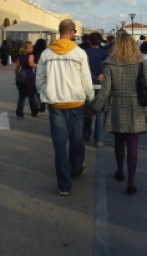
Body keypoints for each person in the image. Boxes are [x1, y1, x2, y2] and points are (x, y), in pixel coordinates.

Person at [35, 19, 94, 196]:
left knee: (59, 145)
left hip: (56, 105)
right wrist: (90, 99)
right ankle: (75, 169)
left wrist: (44, 94)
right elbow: (86, 80)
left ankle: (64, 184)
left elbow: (39, 80)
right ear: (72, 32)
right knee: (77, 141)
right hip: (76, 103)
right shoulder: (79, 54)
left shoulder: (46, 54)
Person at [89, 31, 147, 195]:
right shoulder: (140, 62)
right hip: (136, 104)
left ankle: (120, 171)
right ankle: (131, 181)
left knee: (119, 141)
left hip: (117, 105)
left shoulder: (110, 63)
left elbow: (105, 91)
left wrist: (94, 107)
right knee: (133, 144)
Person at [83, 32, 110, 147]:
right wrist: (103, 74)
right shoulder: (105, 54)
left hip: (87, 85)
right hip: (101, 86)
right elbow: (109, 68)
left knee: (87, 112)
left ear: (89, 41)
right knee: (101, 113)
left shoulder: (84, 53)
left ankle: (85, 135)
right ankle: (99, 140)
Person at [14, 41, 38, 119]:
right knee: (31, 95)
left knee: (21, 97)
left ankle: (19, 113)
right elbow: (31, 64)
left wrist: (17, 75)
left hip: (21, 76)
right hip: (29, 77)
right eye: (30, 47)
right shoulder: (31, 55)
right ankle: (34, 111)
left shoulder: (19, 56)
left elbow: (17, 67)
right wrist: (39, 65)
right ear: (27, 48)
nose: (32, 49)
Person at [32, 38, 48, 113]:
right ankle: (42, 105)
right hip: (44, 71)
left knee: (36, 88)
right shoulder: (45, 52)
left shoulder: (34, 51)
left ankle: (38, 104)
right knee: (43, 87)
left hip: (35, 70)